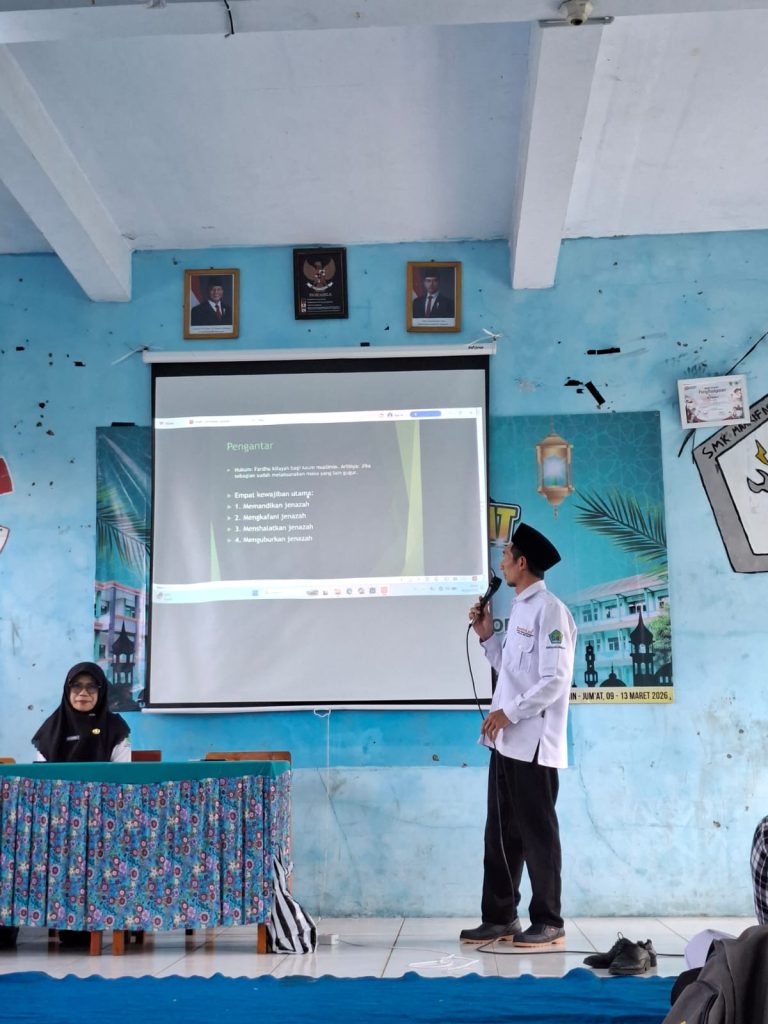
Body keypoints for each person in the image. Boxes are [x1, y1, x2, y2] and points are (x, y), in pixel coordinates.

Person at [460, 522, 577, 948]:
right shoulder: (520, 609)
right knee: (500, 833)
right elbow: (511, 671)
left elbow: (554, 680)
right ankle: (500, 917)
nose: (502, 561)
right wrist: (487, 637)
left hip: (533, 745)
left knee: (537, 835)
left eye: (506, 555)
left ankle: (548, 921)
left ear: (522, 562)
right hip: (506, 742)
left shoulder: (550, 611)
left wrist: (507, 713)